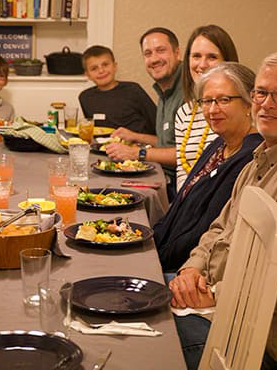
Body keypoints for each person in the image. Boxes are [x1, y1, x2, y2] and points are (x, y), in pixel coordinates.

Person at [169, 52, 277, 370]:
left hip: (253, 342)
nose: (267, 103)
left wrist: (214, 295)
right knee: (135, 291)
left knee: (148, 337)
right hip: (216, 303)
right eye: (261, 93)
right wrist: (191, 270)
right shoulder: (262, 155)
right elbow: (218, 229)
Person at [154, 62, 262, 273]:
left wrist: (155, 257)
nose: (212, 110)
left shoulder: (249, 157)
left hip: (188, 272)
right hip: (165, 255)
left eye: (224, 100)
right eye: (207, 101)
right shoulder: (220, 144)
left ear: (249, 103)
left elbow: (204, 231)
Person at [106, 27, 186, 200]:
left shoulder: (188, 89)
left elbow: (188, 153)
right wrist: (135, 137)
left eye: (161, 51)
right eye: (148, 53)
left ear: (177, 53)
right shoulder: (165, 90)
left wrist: (137, 153)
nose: (154, 59)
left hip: (177, 188)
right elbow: (167, 143)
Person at [174, 25, 239, 191]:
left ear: (228, 62)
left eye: (212, 57)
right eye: (196, 56)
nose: (202, 65)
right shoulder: (183, 113)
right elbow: (182, 170)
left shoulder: (238, 108)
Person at [78, 45, 156, 134]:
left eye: (105, 65)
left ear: (115, 66)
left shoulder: (133, 90)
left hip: (136, 145)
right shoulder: (86, 97)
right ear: (88, 75)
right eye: (94, 68)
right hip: (104, 146)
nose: (101, 71)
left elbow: (156, 121)